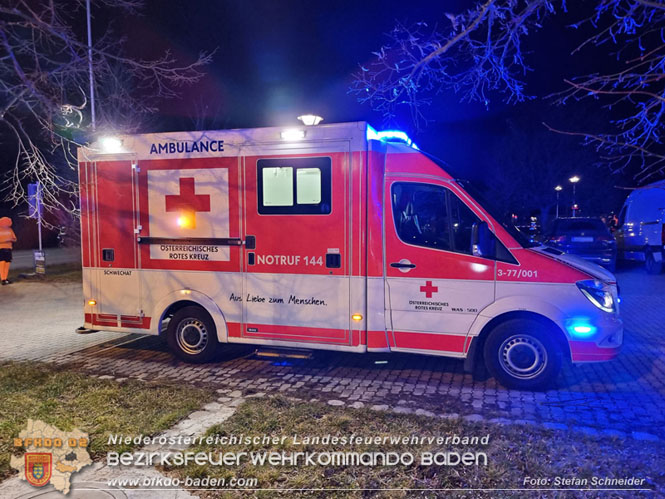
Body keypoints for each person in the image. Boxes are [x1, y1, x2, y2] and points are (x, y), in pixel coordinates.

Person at [0, 217, 17, 285]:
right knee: (2, 263)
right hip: (1, 249)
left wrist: (11, 240)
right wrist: (5, 241)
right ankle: (3, 279)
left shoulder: (10, 230)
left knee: (7, 263)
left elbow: (15, 239)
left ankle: (5, 279)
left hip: (8, 248)